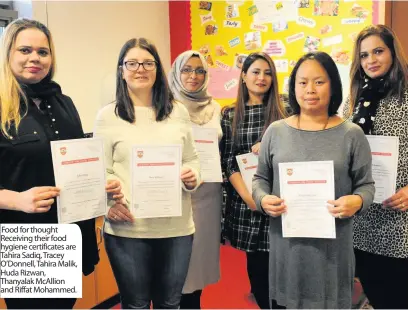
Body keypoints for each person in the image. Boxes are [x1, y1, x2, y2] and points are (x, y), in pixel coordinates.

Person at [0, 18, 122, 309]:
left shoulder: (63, 102)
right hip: (25, 239)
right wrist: (17, 200)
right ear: (8, 54)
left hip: (69, 230)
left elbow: (77, 161)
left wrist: (98, 185)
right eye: (25, 50)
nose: (35, 58)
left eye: (43, 52)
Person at [252, 51, 375, 309]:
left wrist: (357, 201)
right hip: (288, 249)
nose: (310, 89)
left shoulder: (351, 134)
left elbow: (366, 185)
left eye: (319, 82)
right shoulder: (276, 132)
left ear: (333, 86)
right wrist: (263, 200)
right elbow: (260, 179)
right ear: (293, 87)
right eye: (302, 82)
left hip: (333, 251)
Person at [94, 38, 201, 309]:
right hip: (128, 229)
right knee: (135, 304)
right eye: (132, 63)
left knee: (170, 303)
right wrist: (108, 205)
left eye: (148, 63)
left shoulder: (177, 112)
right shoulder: (107, 116)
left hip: (176, 228)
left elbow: (192, 159)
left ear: (158, 68)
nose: (140, 69)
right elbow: (98, 171)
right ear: (121, 70)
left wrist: (192, 176)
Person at [344, 25, 408, 309]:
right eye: (364, 55)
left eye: (378, 51)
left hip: (401, 220)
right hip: (363, 220)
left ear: (393, 53)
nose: (370, 60)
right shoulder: (353, 101)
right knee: (376, 288)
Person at [220, 52, 286, 309]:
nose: (262, 78)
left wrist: (272, 144)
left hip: (281, 201)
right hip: (247, 203)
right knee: (258, 272)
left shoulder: (286, 109)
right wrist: (250, 199)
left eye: (267, 72)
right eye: (256, 72)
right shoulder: (229, 114)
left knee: (284, 271)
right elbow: (228, 161)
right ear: (244, 76)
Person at [169, 50, 222, 309]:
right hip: (177, 193)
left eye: (199, 70)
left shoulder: (215, 108)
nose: (193, 75)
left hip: (208, 197)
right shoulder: (165, 105)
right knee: (176, 263)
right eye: (186, 69)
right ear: (176, 73)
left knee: (198, 264)